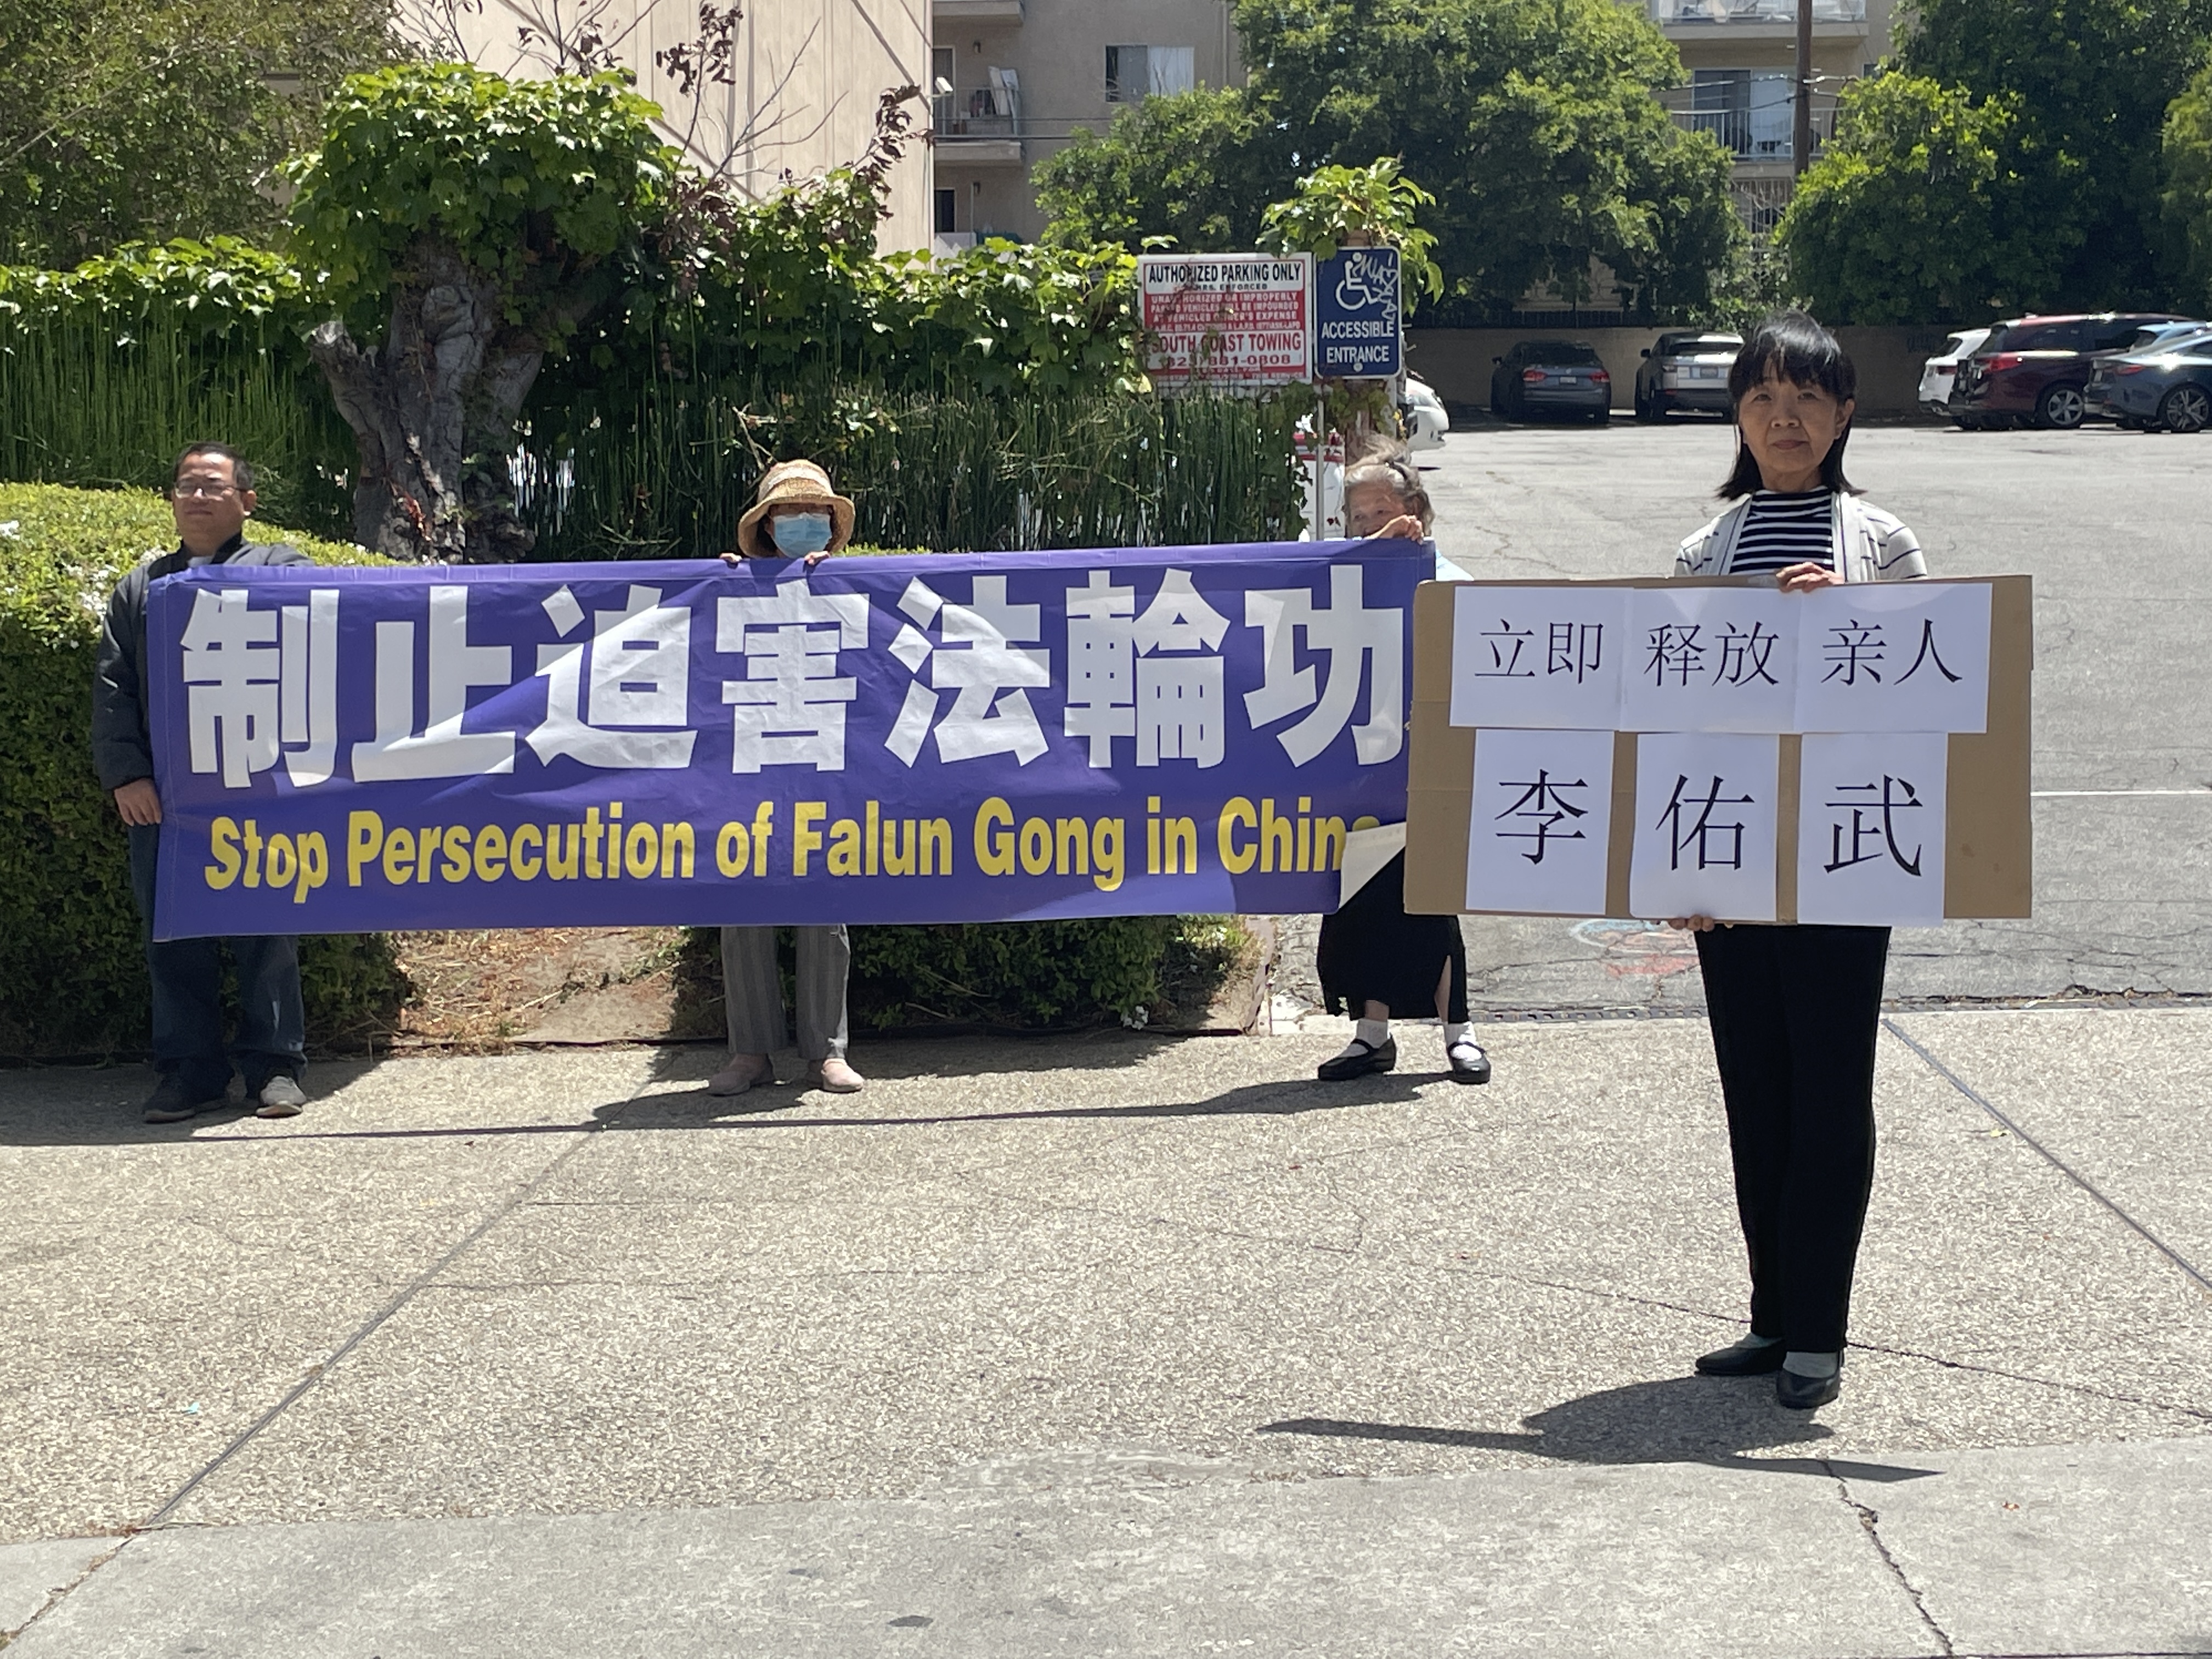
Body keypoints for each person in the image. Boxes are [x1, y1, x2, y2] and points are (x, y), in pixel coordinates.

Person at [1671, 311, 1926, 1411]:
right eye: (1764, 397)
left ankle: (1819, 1328)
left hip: (1846, 849)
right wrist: (1677, 867)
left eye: (1807, 398)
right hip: (1731, 851)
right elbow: (1669, 716)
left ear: (1843, 415)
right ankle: (1772, 1312)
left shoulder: (1884, 543)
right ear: (1738, 415)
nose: (1785, 417)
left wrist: (1853, 617)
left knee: (1829, 1090)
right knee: (1755, 1089)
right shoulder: (1702, 552)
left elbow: (1936, 687)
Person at [93, 444, 315, 1124]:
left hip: (259, 787)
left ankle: (275, 1066)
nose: (196, 497)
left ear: (246, 502)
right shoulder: (141, 587)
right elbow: (114, 689)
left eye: (212, 486)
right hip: (167, 798)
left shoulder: (281, 570)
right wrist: (127, 775)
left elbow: (327, 627)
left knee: (266, 926)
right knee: (173, 933)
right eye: (186, 485)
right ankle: (190, 1072)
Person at [1313, 443, 1491, 1086]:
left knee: (1430, 896)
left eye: (1380, 513)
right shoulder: (1340, 577)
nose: (1366, 528)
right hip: (1357, 763)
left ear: (1415, 510)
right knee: (1359, 894)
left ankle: (1459, 1032)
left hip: (1427, 764)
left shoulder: (1449, 581)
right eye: (1356, 517)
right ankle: (1371, 1035)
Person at [710, 459, 865, 1096]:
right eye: (791, 512)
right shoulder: (733, 583)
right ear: (767, 525)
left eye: (817, 512)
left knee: (824, 909)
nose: (805, 521)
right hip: (750, 766)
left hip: (825, 765)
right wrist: (717, 585)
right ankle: (749, 1054)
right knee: (743, 907)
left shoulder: (852, 583)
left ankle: (828, 1052)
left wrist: (843, 583)